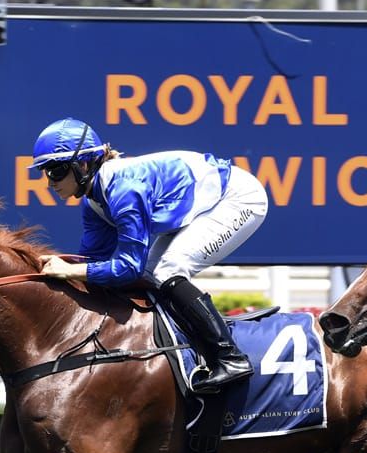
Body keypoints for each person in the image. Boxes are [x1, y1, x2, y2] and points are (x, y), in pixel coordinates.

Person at [31, 117, 269, 394]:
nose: (49, 182)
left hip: (239, 198)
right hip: (202, 206)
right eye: (45, 172)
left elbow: (127, 268)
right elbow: (95, 263)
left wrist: (69, 271)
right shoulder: (93, 202)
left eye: (56, 171)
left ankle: (230, 358)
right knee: (152, 274)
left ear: (82, 164)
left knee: (167, 270)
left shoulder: (123, 190)